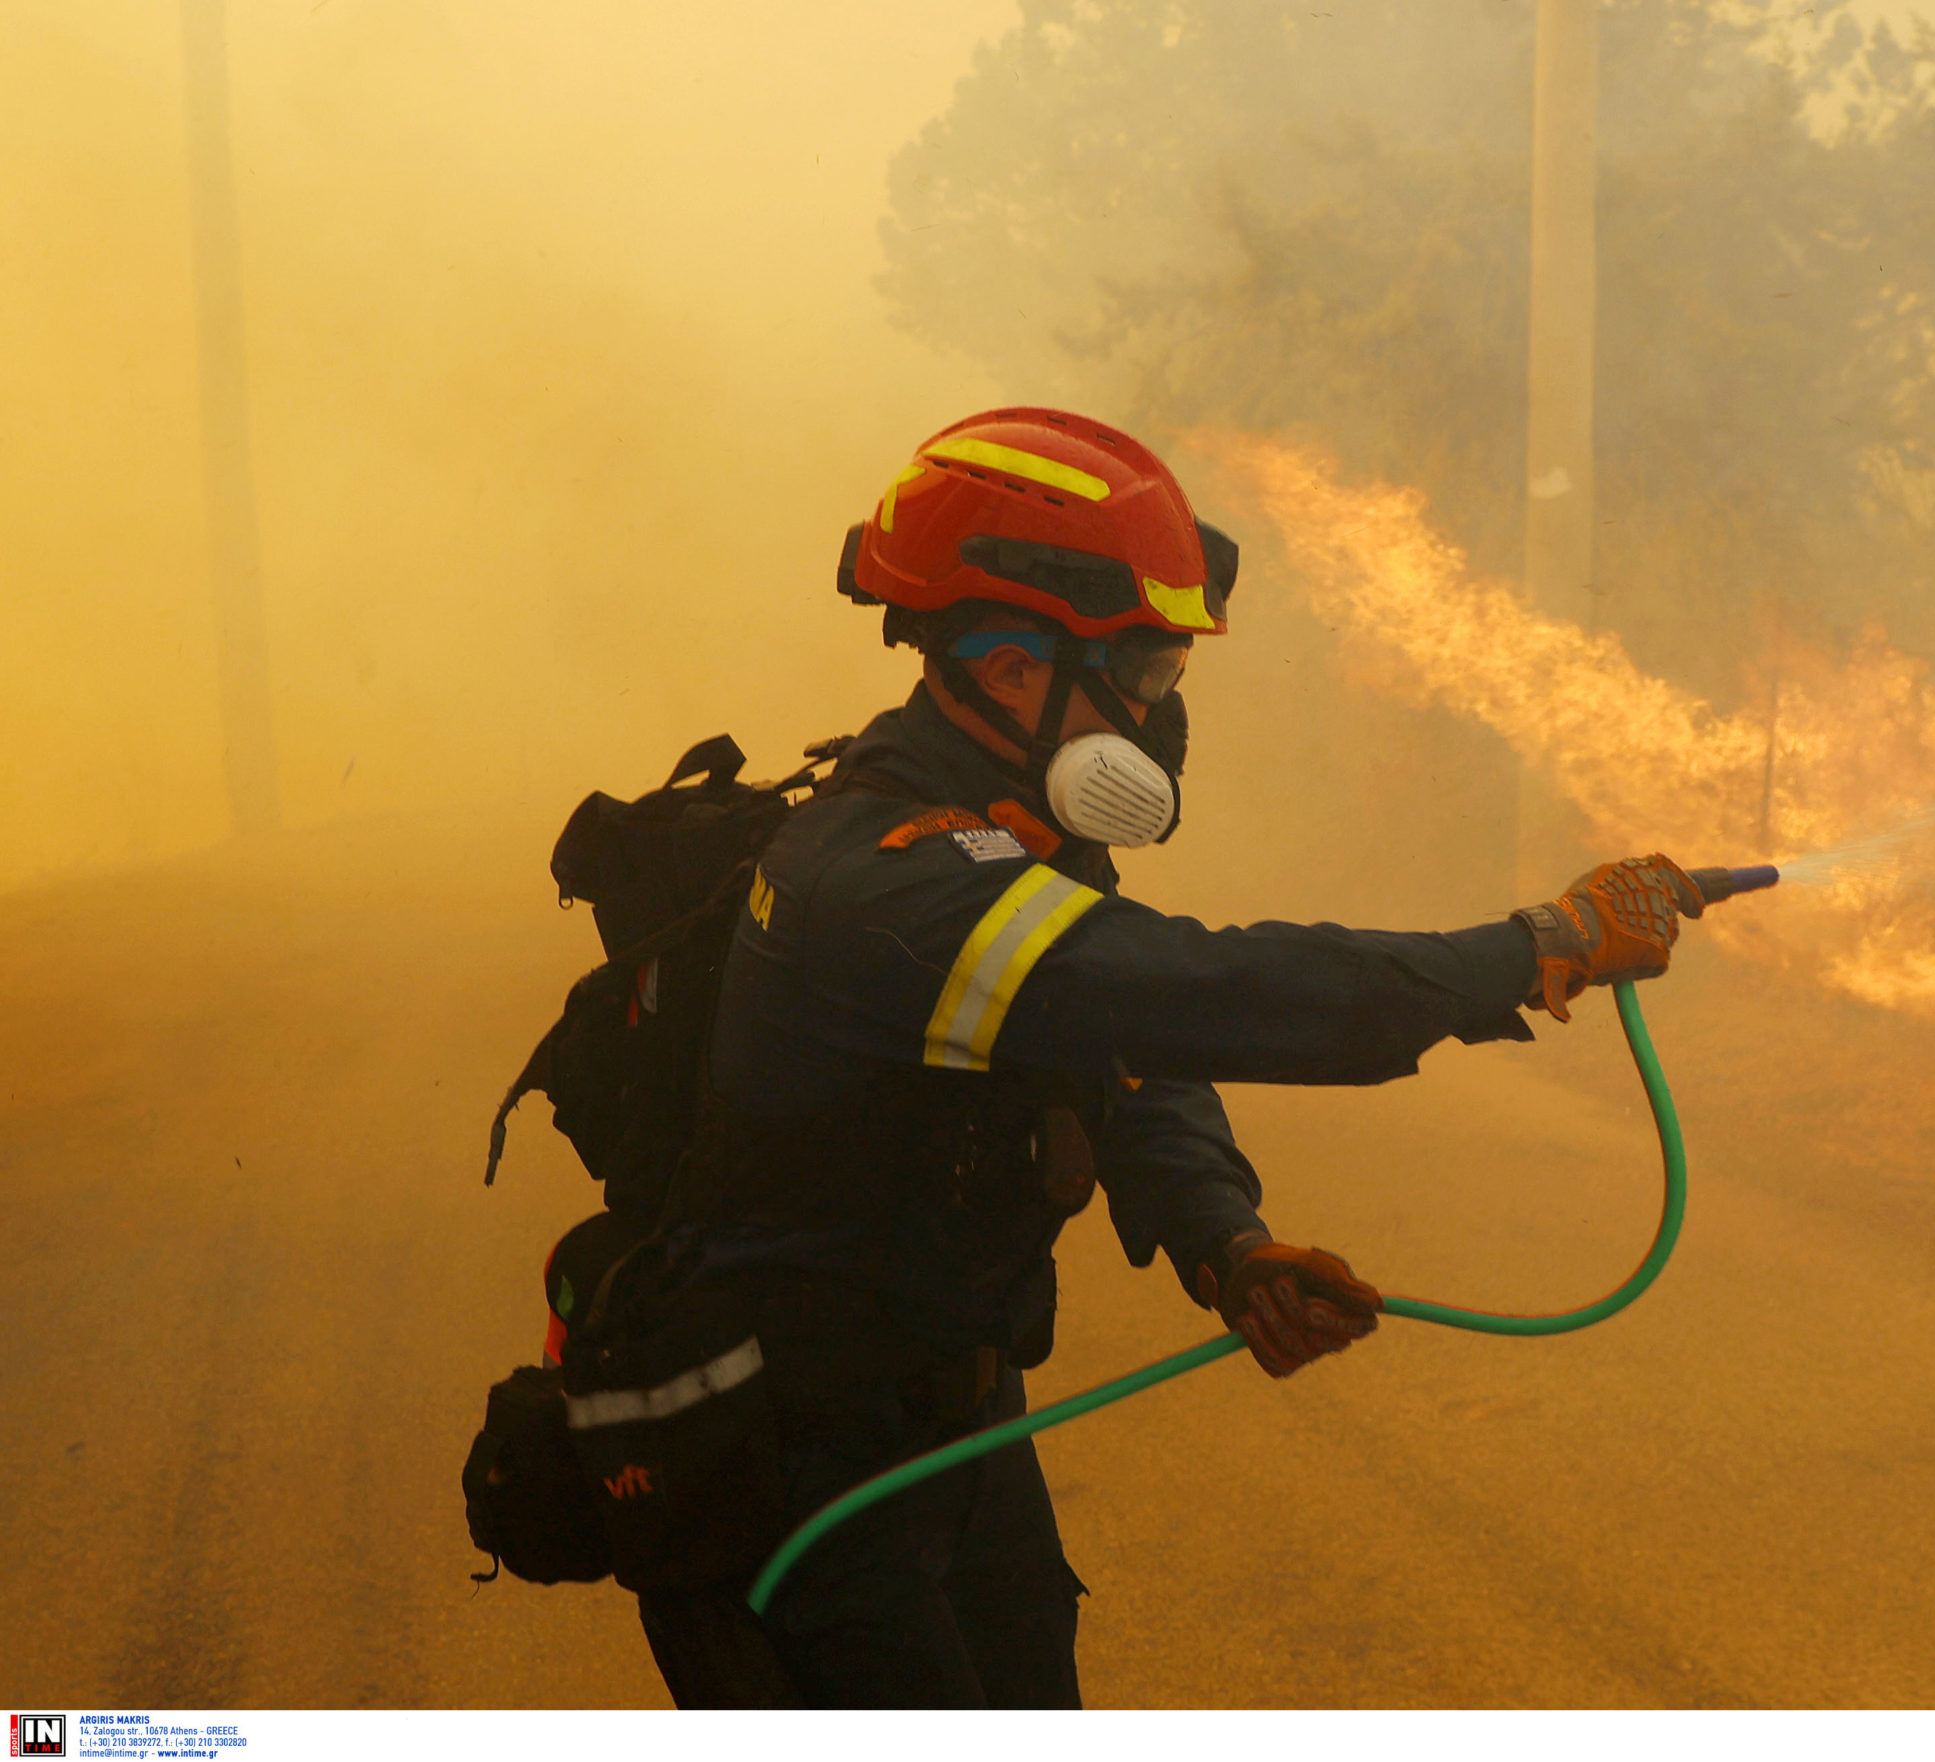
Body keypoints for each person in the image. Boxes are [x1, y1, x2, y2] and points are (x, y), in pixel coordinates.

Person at [634, 407, 1707, 1707]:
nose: (1160, 711)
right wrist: (1534, 944)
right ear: (1011, 669)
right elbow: (1202, 993)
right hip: (806, 1470)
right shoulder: (893, 886)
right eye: (1144, 669)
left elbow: (1119, 1047)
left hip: (948, 1425)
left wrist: (1223, 1241)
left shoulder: (999, 830)